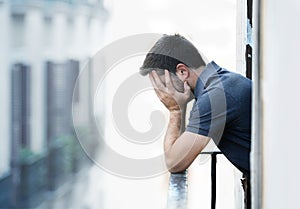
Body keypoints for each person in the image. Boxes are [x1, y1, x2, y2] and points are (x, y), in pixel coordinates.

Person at [139, 34, 252, 208]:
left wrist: (175, 110)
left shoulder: (215, 98)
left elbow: (175, 162)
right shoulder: (220, 83)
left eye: (163, 84)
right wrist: (181, 106)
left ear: (183, 72)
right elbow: (180, 147)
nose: (162, 93)